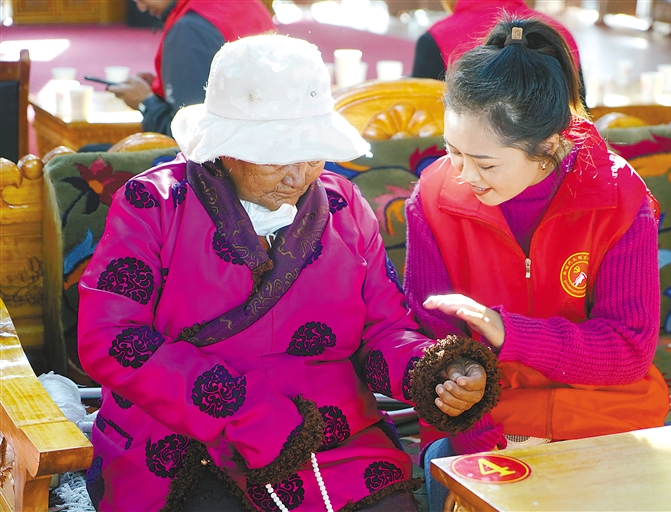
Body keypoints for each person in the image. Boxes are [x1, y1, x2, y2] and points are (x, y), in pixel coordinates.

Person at [77, 34, 499, 512]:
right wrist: (239, 407)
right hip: (185, 434)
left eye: (312, 154)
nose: (298, 177)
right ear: (225, 147)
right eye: (277, 158)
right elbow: (110, 338)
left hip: (331, 437)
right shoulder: (153, 204)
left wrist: (435, 371)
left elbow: (383, 330)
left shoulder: (343, 205)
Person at [403, 16, 670, 512]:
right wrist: (473, 420)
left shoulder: (618, 198)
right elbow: (430, 343)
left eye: (485, 163)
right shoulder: (434, 198)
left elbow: (630, 349)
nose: (464, 176)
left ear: (546, 147)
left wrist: (510, 333)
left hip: (602, 415)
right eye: (453, 152)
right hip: (488, 420)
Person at [108, 0, 274, 136]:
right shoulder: (245, 4)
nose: (141, 7)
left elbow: (191, 136)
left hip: (233, 154)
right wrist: (170, 84)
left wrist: (146, 102)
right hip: (269, 139)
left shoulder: (189, 29)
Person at [410, 0, 586, 106]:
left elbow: (421, 119)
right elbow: (581, 111)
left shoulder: (435, 37)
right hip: (559, 154)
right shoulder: (559, 32)